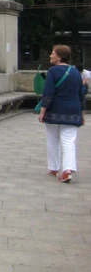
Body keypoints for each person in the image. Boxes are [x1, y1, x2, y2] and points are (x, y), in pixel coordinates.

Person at [39, 45, 85, 183]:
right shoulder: (76, 72)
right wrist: (82, 114)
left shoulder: (53, 71)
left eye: (53, 53)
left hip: (54, 111)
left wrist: (42, 111)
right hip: (73, 111)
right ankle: (68, 170)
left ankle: (54, 168)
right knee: (69, 141)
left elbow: (48, 93)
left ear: (59, 57)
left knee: (53, 140)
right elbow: (81, 94)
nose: (50, 55)